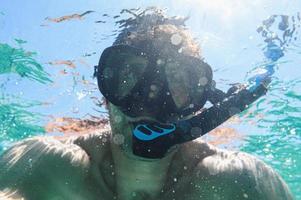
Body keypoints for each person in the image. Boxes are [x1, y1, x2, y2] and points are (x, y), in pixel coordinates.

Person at [0, 9, 293, 200]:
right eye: (128, 76)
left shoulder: (235, 180)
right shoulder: (50, 168)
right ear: (105, 90)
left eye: (179, 79)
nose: (150, 103)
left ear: (198, 101)